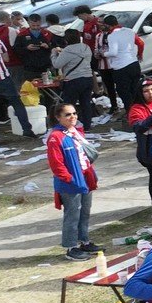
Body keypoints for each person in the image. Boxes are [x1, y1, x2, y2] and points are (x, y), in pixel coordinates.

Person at [47, 104, 97, 260]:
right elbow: (56, 164)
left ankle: (84, 241)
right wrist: (70, 179)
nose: (73, 117)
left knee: (85, 212)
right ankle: (71, 247)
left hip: (85, 179)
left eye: (74, 113)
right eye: (68, 114)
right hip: (71, 183)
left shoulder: (75, 132)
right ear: (58, 117)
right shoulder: (56, 137)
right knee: (72, 215)